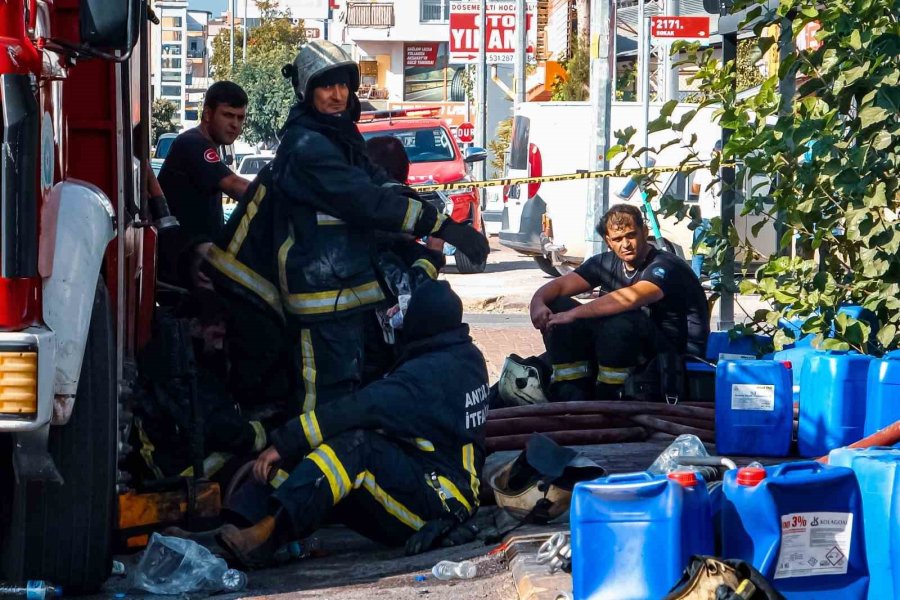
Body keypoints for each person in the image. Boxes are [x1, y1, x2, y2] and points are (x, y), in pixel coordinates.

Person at [204, 40, 488, 409]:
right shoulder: (306, 146)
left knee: (349, 393)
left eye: (343, 86)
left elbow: (377, 181)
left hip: (340, 294)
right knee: (324, 402)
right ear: (307, 92)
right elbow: (364, 200)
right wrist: (443, 227)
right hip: (318, 298)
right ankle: (305, 463)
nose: (338, 95)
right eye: (326, 86)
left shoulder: (337, 136)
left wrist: (430, 214)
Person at [199, 280, 489, 567]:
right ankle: (235, 527)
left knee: (354, 448)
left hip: (442, 503)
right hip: (425, 476)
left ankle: (267, 535)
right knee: (318, 448)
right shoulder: (462, 356)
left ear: (423, 321)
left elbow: (362, 406)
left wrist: (285, 442)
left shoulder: (431, 373)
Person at [529, 204, 709, 401]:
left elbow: (631, 298)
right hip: (631, 346)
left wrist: (572, 315)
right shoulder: (604, 262)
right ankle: (570, 390)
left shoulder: (666, 265)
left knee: (620, 319)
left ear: (644, 232)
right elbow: (560, 287)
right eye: (617, 239)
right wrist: (538, 303)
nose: (626, 244)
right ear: (608, 241)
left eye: (631, 235)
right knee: (558, 305)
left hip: (673, 354)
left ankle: (612, 395)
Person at [158, 81, 251, 288]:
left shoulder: (204, 144)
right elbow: (234, 184)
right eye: (228, 115)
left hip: (194, 260)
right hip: (187, 263)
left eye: (240, 117)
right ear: (208, 114)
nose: (235, 124)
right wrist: (276, 197)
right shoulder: (193, 143)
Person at [690, 140, 722, 280]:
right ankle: (716, 282)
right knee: (718, 251)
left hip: (704, 215)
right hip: (720, 217)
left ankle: (695, 280)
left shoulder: (704, 167)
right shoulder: (730, 167)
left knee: (699, 250)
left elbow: (694, 189)